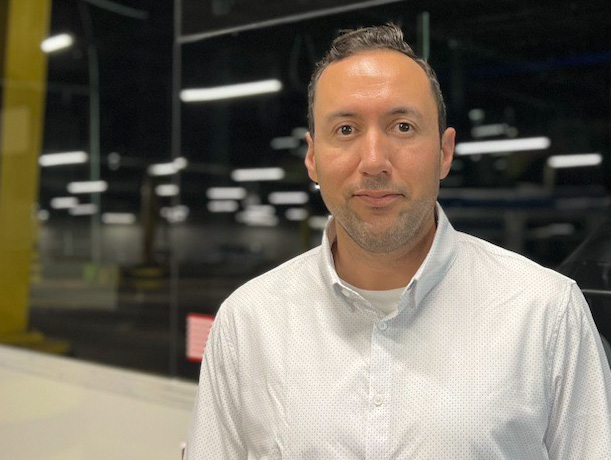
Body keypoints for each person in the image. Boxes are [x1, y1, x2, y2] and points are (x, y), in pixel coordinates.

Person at [185, 24, 611, 459]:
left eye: (403, 126)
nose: (374, 162)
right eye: (346, 129)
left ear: (444, 152)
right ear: (312, 157)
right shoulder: (247, 322)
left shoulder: (545, 312)